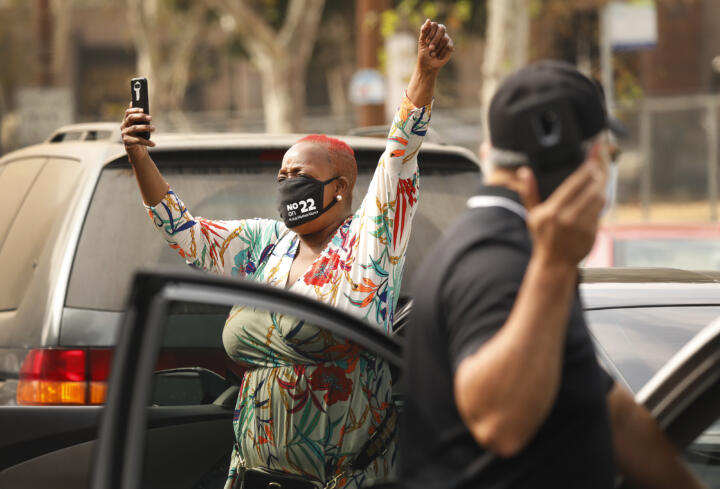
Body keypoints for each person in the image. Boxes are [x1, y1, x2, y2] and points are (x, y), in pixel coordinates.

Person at [121, 19, 453, 489]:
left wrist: (424, 73)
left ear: (339, 188)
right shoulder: (265, 245)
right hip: (255, 478)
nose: (286, 183)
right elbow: (186, 233)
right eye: (281, 175)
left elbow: (399, 154)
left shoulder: (370, 241)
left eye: (298, 173)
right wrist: (139, 156)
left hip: (346, 479)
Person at [400, 61, 707, 489]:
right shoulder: (500, 260)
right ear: (587, 160)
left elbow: (612, 413)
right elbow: (498, 421)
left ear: (490, 154)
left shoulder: (517, 246)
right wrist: (554, 265)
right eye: (608, 154)